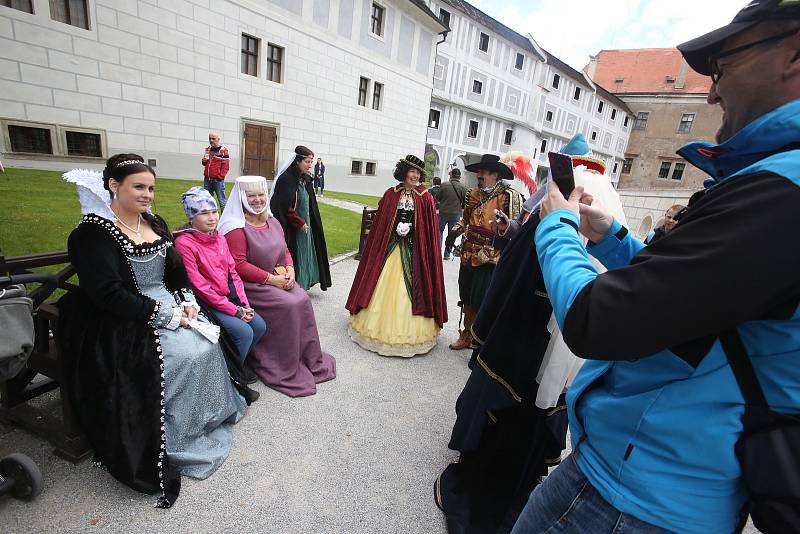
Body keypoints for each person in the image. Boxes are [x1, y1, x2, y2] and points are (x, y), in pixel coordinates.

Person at [512, 6, 800, 534]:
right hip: (662, 479)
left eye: (722, 68)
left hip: (634, 496)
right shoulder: (775, 182)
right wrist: (615, 239)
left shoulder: (783, 192)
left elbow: (596, 319)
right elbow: (697, 296)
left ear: (793, 53)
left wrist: (555, 226)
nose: (711, 93)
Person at [436, 136, 629, 533]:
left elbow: (530, 271)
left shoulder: (551, 209)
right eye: (482, 172)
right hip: (530, 326)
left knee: (514, 410)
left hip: (529, 334)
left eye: (489, 172)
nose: (485, 176)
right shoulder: (484, 198)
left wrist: (491, 322)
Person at [59, 154, 249, 508]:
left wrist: (186, 300)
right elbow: (107, 293)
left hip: (168, 302)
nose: (147, 194)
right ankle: (173, 438)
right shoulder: (91, 233)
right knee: (180, 356)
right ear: (114, 186)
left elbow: (174, 271)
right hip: (122, 315)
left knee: (206, 343)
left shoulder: (153, 221)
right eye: (139, 187)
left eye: (151, 188)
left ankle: (204, 420)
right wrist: (164, 315)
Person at [219, 175, 336, 397]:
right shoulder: (236, 227)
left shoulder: (272, 222)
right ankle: (280, 362)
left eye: (261, 194)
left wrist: (291, 270)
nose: (257, 200)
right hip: (250, 285)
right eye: (251, 196)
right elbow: (239, 265)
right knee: (289, 305)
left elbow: (285, 251)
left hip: (278, 277)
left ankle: (305, 357)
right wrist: (271, 280)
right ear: (242, 198)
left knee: (302, 299)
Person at [346, 155, 447, 357]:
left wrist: (411, 229)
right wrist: (395, 228)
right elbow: (381, 224)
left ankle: (411, 335)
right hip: (391, 246)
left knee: (414, 283)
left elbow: (428, 232)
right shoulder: (391, 194)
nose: (415, 176)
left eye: (418, 173)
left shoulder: (425, 197)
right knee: (378, 279)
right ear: (404, 172)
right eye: (412, 172)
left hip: (413, 249)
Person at [174, 187, 267, 363]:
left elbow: (233, 273)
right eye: (203, 213)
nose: (211, 217)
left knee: (259, 326)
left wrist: (243, 305)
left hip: (228, 299)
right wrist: (234, 311)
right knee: (244, 332)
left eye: (214, 211)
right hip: (206, 302)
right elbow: (199, 286)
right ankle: (233, 373)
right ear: (191, 217)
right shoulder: (184, 243)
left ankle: (237, 362)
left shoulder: (219, 237)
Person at [445, 154, 524, 350]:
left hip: (491, 256)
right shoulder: (471, 194)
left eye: (483, 172)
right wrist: (454, 231)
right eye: (478, 171)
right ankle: (466, 335)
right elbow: (465, 219)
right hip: (467, 253)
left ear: (495, 174)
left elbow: (517, 229)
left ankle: (481, 338)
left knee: (484, 299)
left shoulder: (509, 197)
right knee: (467, 296)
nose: (479, 175)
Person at [270, 146, 331, 291]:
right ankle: (297, 283)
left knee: (308, 253)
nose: (310, 165)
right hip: (293, 226)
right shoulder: (287, 179)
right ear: (298, 161)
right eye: (307, 161)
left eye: (311, 162)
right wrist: (299, 222)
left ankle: (306, 281)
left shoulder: (305, 178)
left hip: (307, 224)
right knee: (297, 253)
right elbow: (283, 206)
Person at [437, 168, 467, 260]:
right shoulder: (463, 187)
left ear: (451, 175)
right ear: (460, 177)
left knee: (439, 231)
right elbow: (465, 202)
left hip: (443, 212)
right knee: (452, 234)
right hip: (456, 213)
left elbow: (437, 197)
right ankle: (447, 254)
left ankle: (437, 253)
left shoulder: (444, 185)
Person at [202, 131, 230, 211]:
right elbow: (204, 163)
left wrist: (220, 177)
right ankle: (210, 218)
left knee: (222, 201)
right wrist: (204, 161)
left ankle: (225, 221)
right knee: (207, 200)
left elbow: (226, 167)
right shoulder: (207, 150)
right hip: (207, 179)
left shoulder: (223, 151)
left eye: (213, 139)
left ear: (218, 139)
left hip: (218, 181)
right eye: (209, 138)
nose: (211, 140)